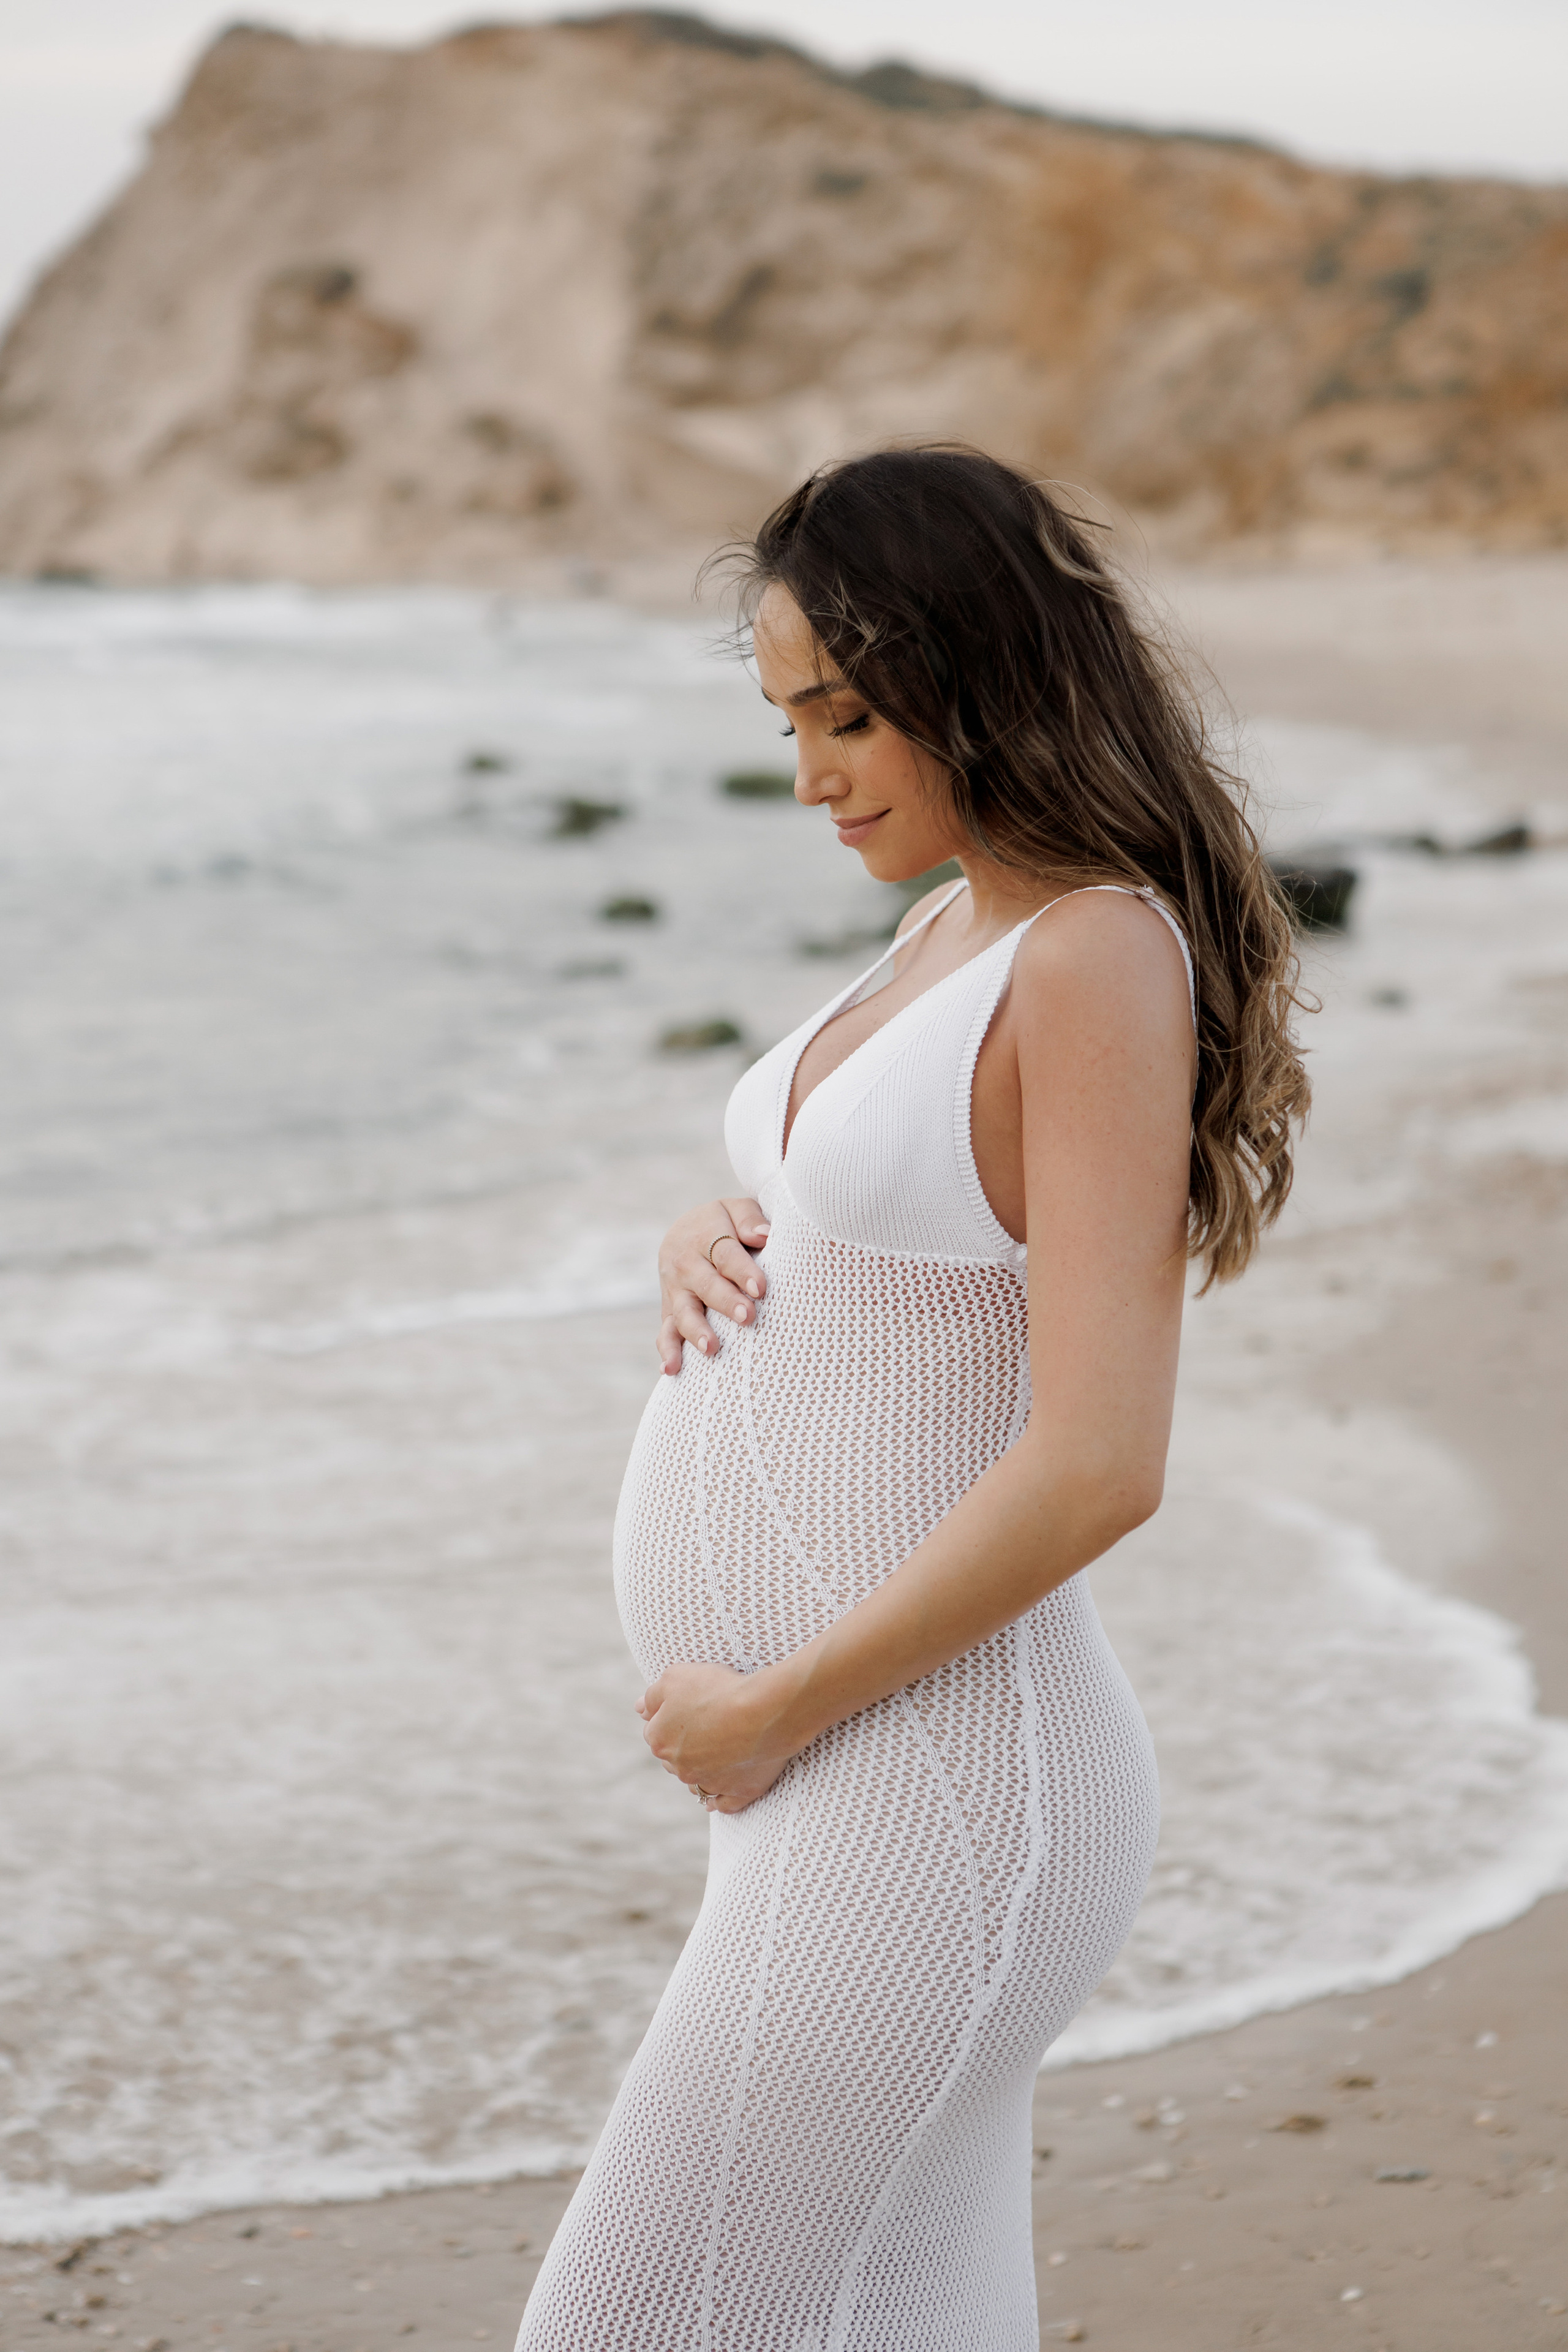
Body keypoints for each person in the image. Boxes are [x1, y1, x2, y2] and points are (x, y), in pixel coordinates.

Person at [515, 445, 1310, 2352]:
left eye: (849, 715)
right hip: (853, 1777)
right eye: (790, 719)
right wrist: (714, 1230)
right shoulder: (947, 929)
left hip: (932, 1780)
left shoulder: (1099, 950)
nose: (810, 774)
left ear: (982, 672)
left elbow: (1104, 1459)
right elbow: (898, 1230)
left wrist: (776, 1704)